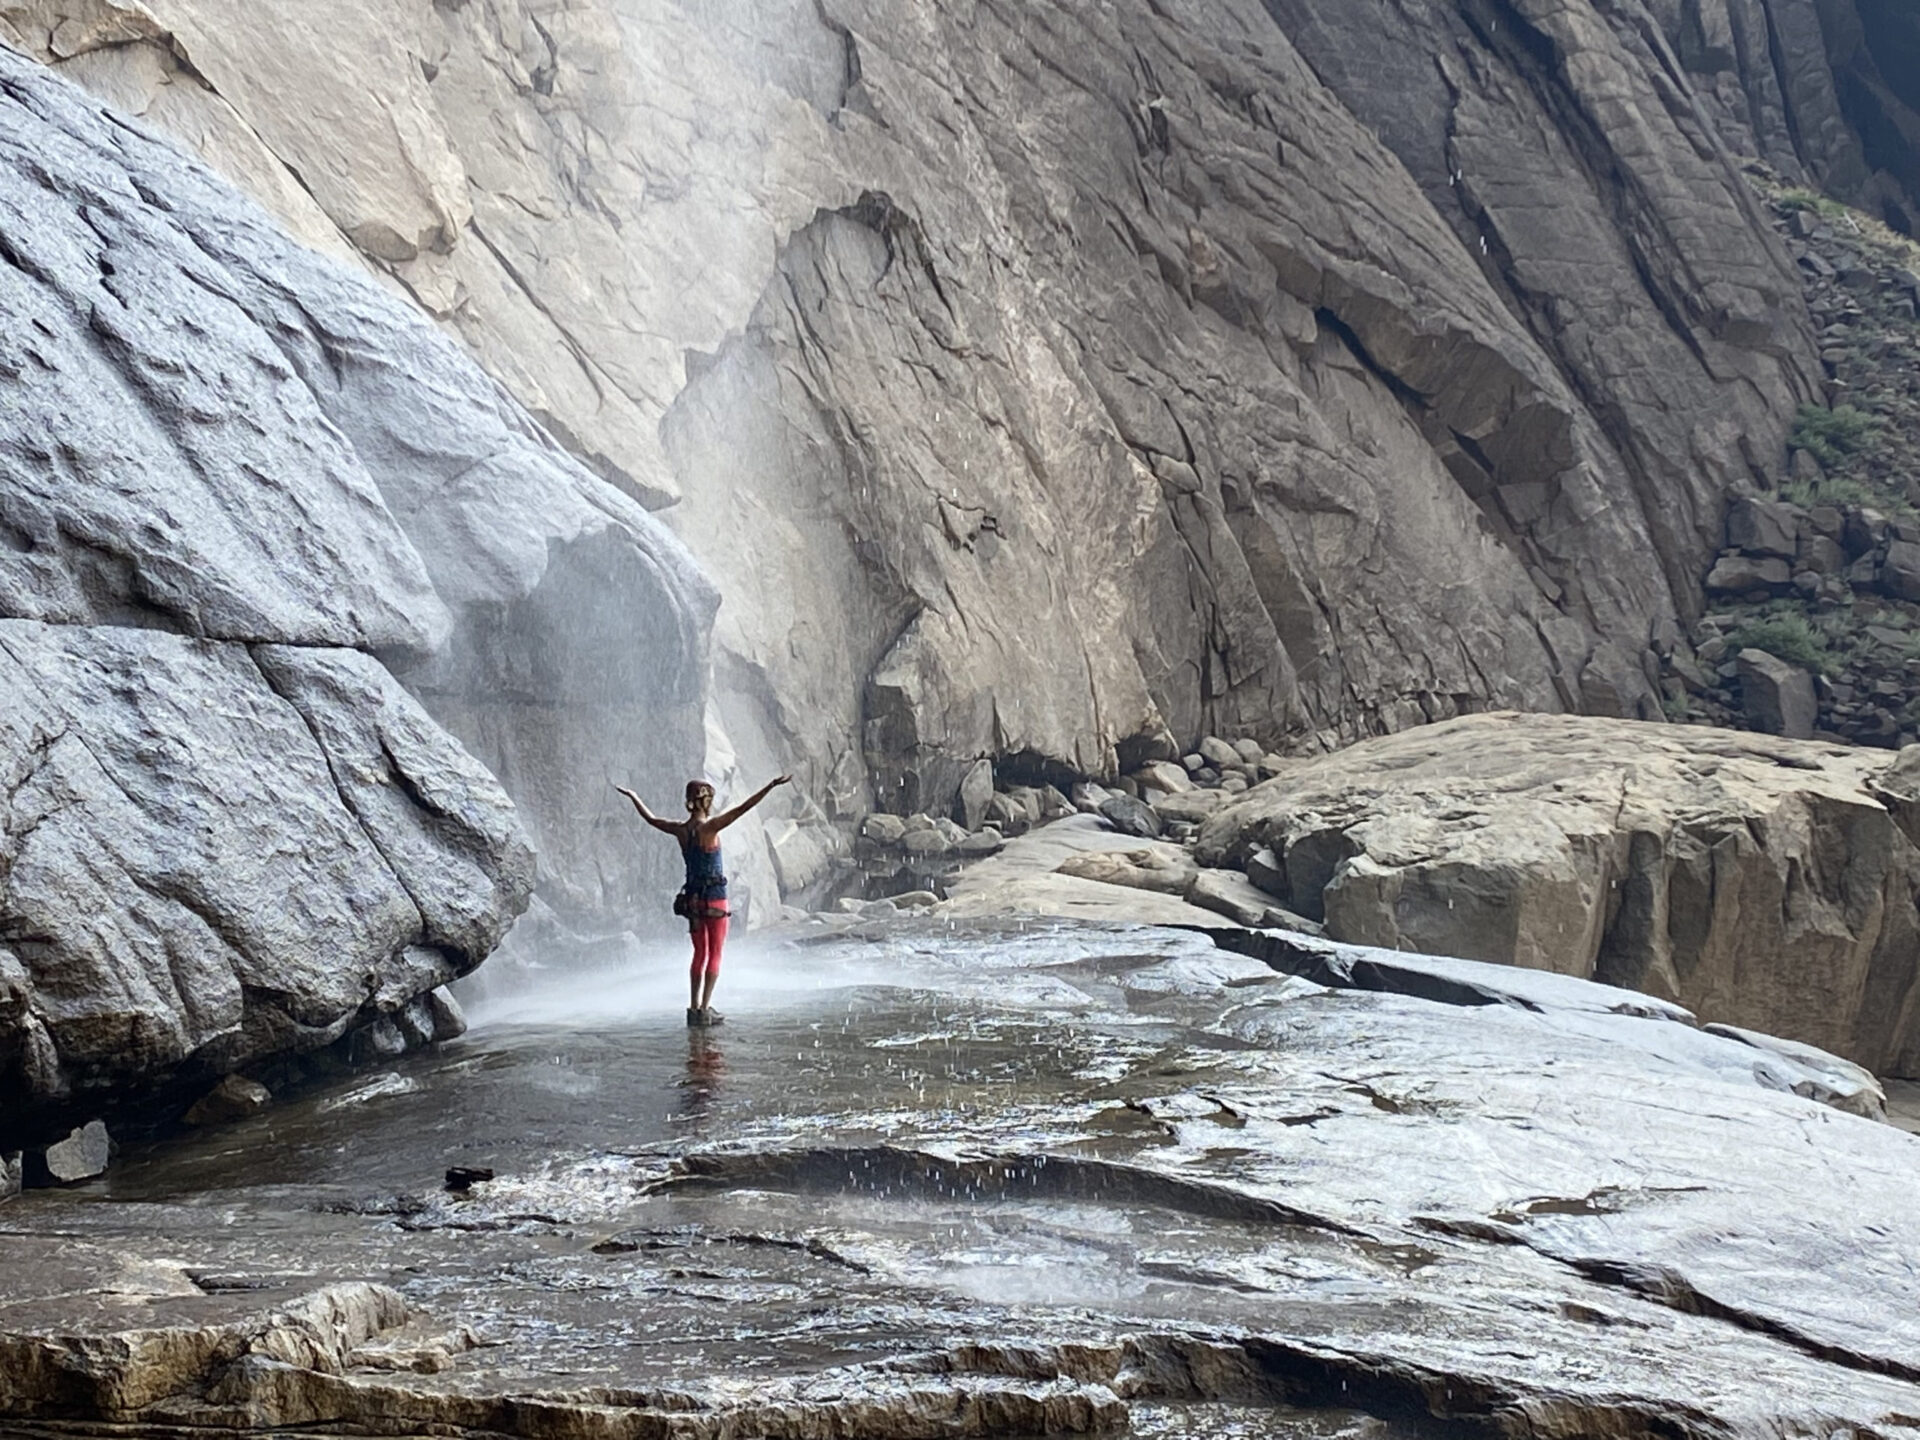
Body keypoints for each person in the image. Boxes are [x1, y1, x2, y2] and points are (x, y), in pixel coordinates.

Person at [614, 774, 791, 1027]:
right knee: (715, 954)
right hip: (716, 901)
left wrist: (634, 796)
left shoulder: (680, 830)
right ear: (706, 802)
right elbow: (744, 808)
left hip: (693, 902)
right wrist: (771, 786)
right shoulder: (711, 827)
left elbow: (650, 819)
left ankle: (693, 1008)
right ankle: (706, 1009)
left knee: (699, 953)